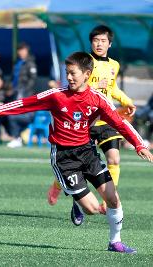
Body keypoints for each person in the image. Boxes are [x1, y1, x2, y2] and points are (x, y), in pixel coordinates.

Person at [0, 52, 153, 254]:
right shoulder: (56, 96)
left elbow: (120, 124)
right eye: (67, 73)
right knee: (92, 209)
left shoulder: (98, 100)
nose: (68, 77)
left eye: (73, 73)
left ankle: (115, 242)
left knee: (113, 199)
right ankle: (76, 197)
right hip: (64, 158)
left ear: (86, 74)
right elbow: (23, 104)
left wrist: (139, 145)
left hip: (88, 153)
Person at [47, 25, 137, 218]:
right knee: (78, 164)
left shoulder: (114, 65)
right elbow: (75, 88)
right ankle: (62, 188)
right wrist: (96, 85)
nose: (99, 44)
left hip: (105, 120)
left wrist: (126, 101)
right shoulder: (84, 63)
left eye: (103, 41)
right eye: (96, 40)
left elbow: (112, 90)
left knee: (114, 159)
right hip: (85, 122)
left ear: (110, 44)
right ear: (91, 42)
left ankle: (107, 201)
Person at [6, 42, 38, 148]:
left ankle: (18, 137)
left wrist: (25, 94)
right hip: (16, 96)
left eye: (23, 50)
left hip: (26, 98)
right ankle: (19, 136)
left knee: (13, 116)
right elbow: (13, 79)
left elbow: (32, 81)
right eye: (19, 50)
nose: (21, 52)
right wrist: (10, 89)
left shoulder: (30, 63)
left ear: (27, 51)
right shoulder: (17, 63)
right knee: (8, 114)